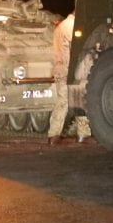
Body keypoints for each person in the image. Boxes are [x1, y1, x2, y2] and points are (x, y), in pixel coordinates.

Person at [46, 13, 74, 144]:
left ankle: (55, 134)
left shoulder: (62, 26)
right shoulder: (71, 26)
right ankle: (54, 134)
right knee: (65, 101)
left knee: (68, 101)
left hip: (63, 69)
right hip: (68, 70)